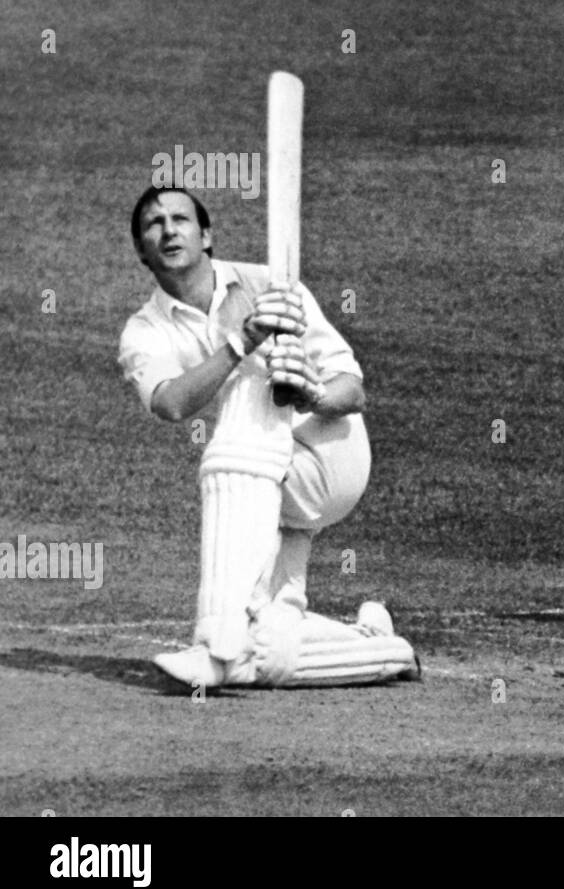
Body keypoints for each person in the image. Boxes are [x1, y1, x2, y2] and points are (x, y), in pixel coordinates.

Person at [118, 185, 421, 688]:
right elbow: (171, 403)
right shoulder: (143, 330)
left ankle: (215, 637)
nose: (169, 230)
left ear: (206, 234)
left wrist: (311, 394)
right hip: (264, 492)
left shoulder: (271, 284)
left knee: (255, 388)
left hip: (329, 458)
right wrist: (242, 342)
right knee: (268, 648)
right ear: (140, 249)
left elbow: (354, 389)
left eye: (181, 219)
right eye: (154, 224)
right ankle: (384, 650)